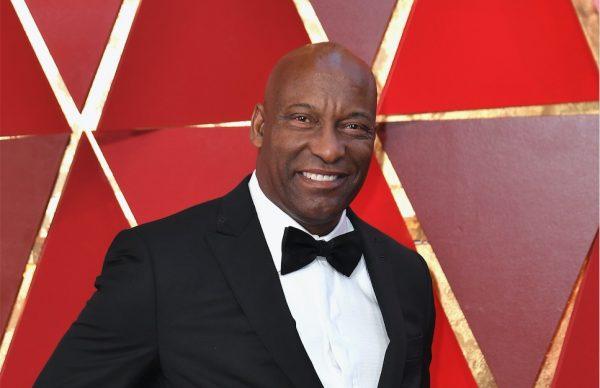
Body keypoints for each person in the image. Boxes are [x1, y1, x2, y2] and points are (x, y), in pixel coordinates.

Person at [35, 42, 435, 388]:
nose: (330, 149)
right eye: (303, 119)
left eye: (353, 125)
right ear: (260, 127)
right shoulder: (160, 265)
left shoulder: (407, 276)